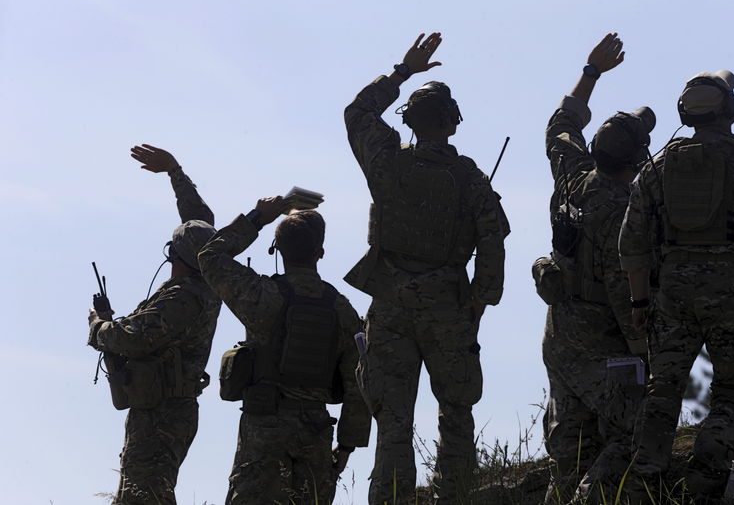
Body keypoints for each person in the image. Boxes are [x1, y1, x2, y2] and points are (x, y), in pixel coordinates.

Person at [343, 32, 510, 504]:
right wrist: (482, 299)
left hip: (391, 302)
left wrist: (402, 71)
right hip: (449, 305)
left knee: (393, 421)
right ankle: (453, 497)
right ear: (452, 125)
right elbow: (493, 242)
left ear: (410, 122)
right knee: (455, 410)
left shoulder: (386, 162)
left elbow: (357, 113)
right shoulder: (472, 180)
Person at [619, 69, 734, 503]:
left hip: (671, 295)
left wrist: (640, 299)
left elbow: (632, 243)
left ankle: (643, 484)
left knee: (662, 390)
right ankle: (704, 483)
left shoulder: (656, 168)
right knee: (733, 393)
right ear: (731, 111)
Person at [534, 33, 654, 503]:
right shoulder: (627, 212)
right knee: (639, 431)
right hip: (605, 349)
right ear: (638, 159)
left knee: (568, 451)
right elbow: (628, 298)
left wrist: (591, 73)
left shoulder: (571, 175)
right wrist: (648, 356)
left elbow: (561, 123)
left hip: (560, 334)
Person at [198, 197, 371, 505]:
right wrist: (346, 447)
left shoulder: (262, 296)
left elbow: (210, 256)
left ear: (278, 250)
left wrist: (257, 218)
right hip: (315, 436)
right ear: (320, 253)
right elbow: (361, 385)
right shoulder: (343, 310)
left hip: (263, 432)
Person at [87, 144, 221, 505]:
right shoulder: (210, 282)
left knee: (143, 497)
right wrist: (175, 172)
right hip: (167, 407)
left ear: (171, 254)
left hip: (162, 412)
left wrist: (99, 326)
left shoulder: (181, 298)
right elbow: (201, 222)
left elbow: (133, 338)